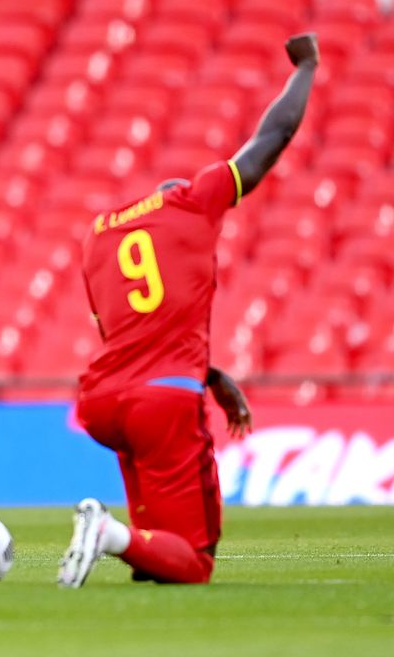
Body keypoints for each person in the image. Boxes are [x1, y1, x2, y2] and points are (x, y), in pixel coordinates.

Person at [59, 33, 319, 587]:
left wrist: (212, 374)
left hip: (102, 401)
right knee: (197, 560)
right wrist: (307, 67)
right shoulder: (194, 201)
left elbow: (123, 331)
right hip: (163, 403)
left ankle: (129, 546)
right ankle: (107, 533)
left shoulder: (99, 234)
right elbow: (276, 134)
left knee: (161, 555)